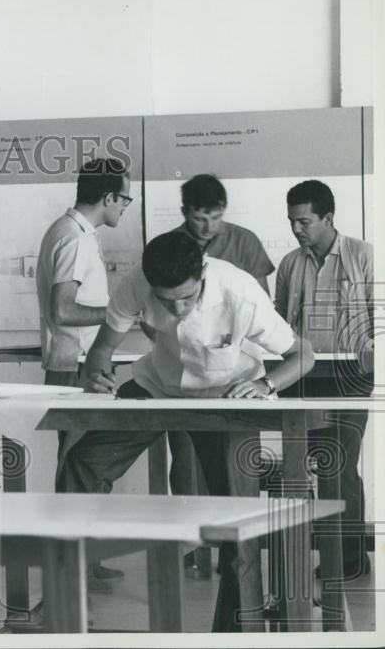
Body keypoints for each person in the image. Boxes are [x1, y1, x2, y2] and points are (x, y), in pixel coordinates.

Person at [74, 232, 314, 632]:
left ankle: (238, 632)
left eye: (188, 298)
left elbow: (301, 354)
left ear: (203, 272)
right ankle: (69, 602)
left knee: (238, 518)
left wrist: (265, 386)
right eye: (168, 302)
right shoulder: (135, 283)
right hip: (157, 388)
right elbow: (101, 350)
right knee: (82, 464)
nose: (179, 308)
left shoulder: (240, 290)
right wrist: (95, 375)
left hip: (226, 399)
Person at [165, 173, 276, 570]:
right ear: (185, 214)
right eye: (199, 218)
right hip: (186, 372)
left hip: (237, 371)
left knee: (238, 465)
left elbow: (263, 306)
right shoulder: (171, 248)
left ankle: (239, 561)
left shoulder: (244, 241)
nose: (208, 227)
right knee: (186, 463)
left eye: (215, 217)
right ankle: (191, 548)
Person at [36, 156, 132, 593]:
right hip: (76, 368)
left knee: (82, 466)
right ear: (108, 196)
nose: (126, 206)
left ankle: (84, 561)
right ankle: (69, 564)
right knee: (77, 465)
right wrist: (121, 316)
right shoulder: (73, 237)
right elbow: (63, 309)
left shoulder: (75, 232)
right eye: (125, 198)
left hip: (80, 364)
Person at [274, 179, 374, 579]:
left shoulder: (364, 256)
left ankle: (349, 560)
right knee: (309, 466)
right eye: (292, 222)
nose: (297, 229)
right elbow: (279, 326)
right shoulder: (289, 264)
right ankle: (323, 552)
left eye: (304, 221)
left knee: (341, 465)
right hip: (303, 376)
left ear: (328, 218)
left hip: (351, 376)